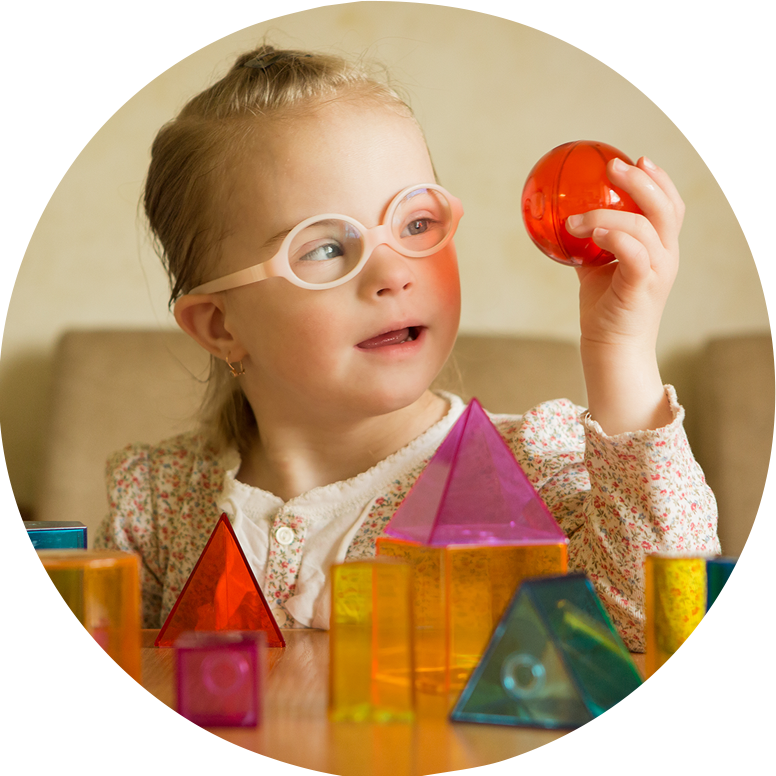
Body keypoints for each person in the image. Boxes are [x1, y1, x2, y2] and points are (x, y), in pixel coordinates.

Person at [95, 44, 719, 650]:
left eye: (416, 224)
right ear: (219, 325)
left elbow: (660, 615)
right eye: (325, 248)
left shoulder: (524, 469)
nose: (393, 273)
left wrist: (621, 349)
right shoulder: (158, 502)